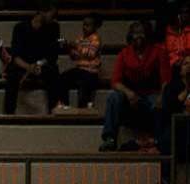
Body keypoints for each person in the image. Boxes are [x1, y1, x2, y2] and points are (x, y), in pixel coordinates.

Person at [99, 22, 171, 152]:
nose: (139, 36)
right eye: (135, 33)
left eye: (142, 32)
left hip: (152, 95)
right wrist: (128, 93)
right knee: (114, 97)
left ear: (147, 35)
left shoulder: (158, 51)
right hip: (132, 99)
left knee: (163, 102)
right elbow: (115, 81)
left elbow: (166, 79)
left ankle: (158, 142)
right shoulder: (124, 54)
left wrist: (162, 96)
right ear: (130, 36)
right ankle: (109, 139)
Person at [4, 3, 61, 115]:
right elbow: (15, 56)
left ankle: (54, 111)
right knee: (12, 75)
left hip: (42, 65)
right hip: (23, 64)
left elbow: (52, 55)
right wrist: (28, 67)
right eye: (52, 15)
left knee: (54, 73)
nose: (54, 18)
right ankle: (9, 113)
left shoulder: (54, 27)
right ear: (42, 12)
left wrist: (38, 65)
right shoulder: (20, 27)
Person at [56, 14, 102, 111]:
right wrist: (68, 48)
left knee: (84, 85)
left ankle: (83, 109)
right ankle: (65, 105)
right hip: (80, 70)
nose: (85, 27)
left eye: (88, 25)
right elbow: (75, 57)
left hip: (91, 71)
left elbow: (90, 53)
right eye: (84, 25)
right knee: (63, 77)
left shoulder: (95, 39)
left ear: (95, 27)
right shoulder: (80, 39)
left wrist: (76, 46)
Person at [165, 1, 190, 67]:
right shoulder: (167, 32)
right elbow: (168, 53)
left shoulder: (186, 30)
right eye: (182, 12)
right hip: (174, 66)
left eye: (187, 12)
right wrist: (176, 60)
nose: (185, 15)